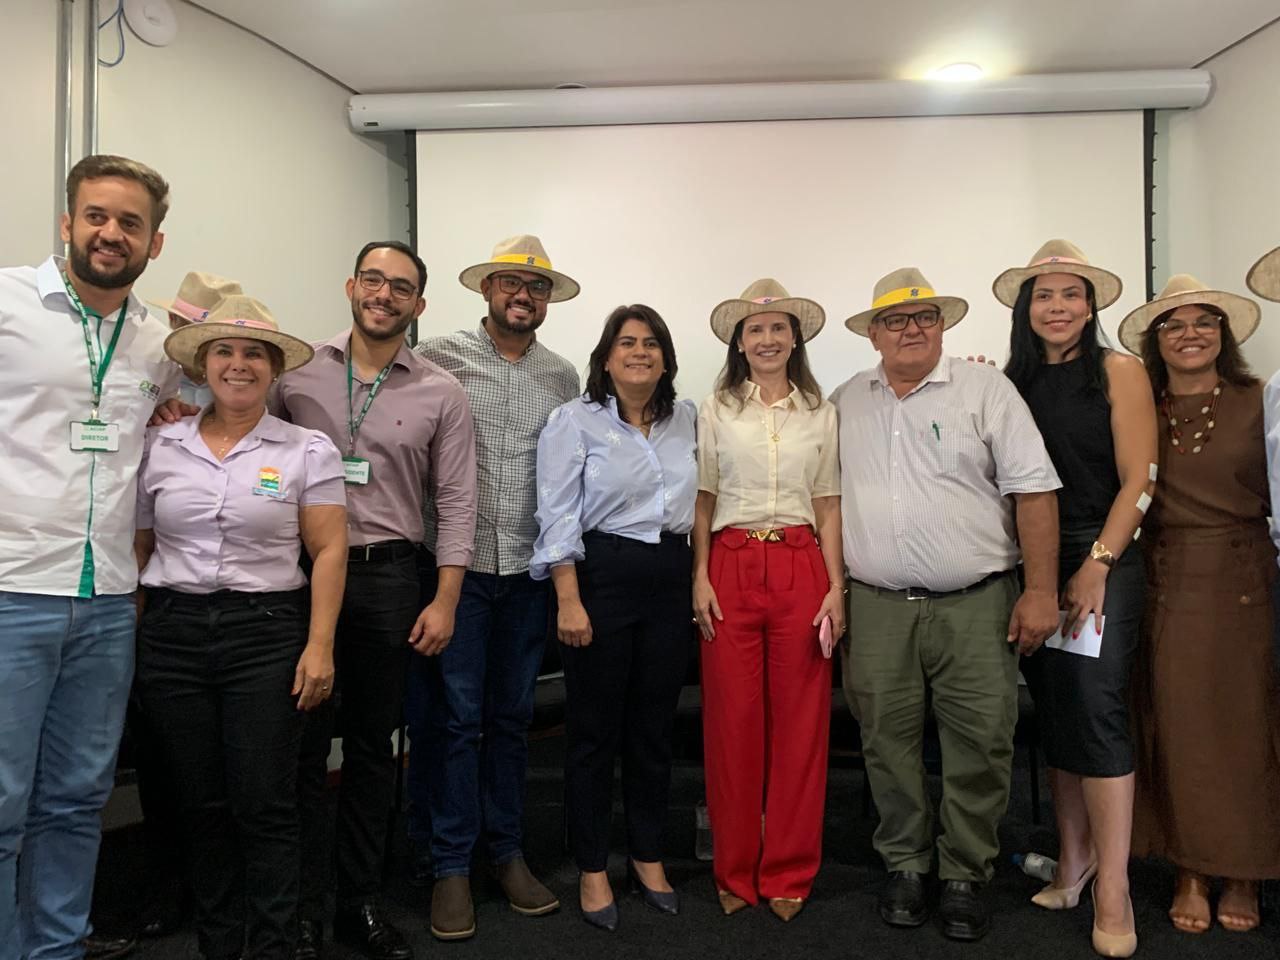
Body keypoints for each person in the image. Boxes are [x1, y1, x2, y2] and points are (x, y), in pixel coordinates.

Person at [831, 267, 1061, 942]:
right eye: (896, 320)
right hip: (877, 607)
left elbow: (1034, 491)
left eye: (925, 317)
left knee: (982, 742)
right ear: (873, 334)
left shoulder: (986, 390)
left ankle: (965, 870)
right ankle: (906, 862)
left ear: (942, 327)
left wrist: (1041, 591)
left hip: (976, 603)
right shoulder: (845, 402)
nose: (912, 330)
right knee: (886, 742)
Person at [0, 153, 178, 960]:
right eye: (97, 217)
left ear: (154, 242)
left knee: (76, 801)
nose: (112, 234)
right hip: (13, 590)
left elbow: (186, 410)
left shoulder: (160, 340)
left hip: (109, 599)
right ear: (67, 222)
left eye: (130, 223)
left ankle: (55, 949)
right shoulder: (9, 303)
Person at [134, 295, 348, 960]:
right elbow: (139, 546)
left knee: (264, 802)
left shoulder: (307, 449)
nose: (238, 364)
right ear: (202, 364)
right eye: (223, 351)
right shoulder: (160, 445)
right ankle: (220, 944)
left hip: (266, 634)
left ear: (274, 368)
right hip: (172, 633)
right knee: (199, 805)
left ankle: (275, 945)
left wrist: (319, 646)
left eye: (254, 353)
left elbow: (329, 550)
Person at [279, 241, 477, 960]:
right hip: (298, 579)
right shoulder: (295, 372)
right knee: (300, 750)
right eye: (373, 280)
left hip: (389, 579)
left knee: (371, 749)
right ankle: (301, 907)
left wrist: (446, 598)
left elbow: (457, 501)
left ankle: (358, 902)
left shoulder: (442, 392)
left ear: (419, 305)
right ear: (351, 286)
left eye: (400, 287)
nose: (383, 294)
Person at [409, 235, 580, 940]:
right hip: (458, 573)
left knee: (512, 720)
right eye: (511, 282)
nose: (523, 296)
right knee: (455, 721)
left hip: (528, 575)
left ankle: (507, 853)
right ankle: (450, 865)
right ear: (486, 290)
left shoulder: (562, 376)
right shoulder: (436, 358)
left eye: (536, 287)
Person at [996, 240, 1154, 958]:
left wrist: (1097, 564)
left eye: (1071, 295)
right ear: (1026, 309)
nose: (1057, 307)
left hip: (1101, 557)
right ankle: (1073, 863)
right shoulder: (1011, 383)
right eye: (1044, 296)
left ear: (1091, 307)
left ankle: (1114, 888)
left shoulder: (1119, 371)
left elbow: (1140, 479)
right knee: (1056, 711)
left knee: (1097, 710)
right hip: (1034, 564)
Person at [1118, 274, 1280, 935]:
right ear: (1156, 341)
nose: (1190, 334)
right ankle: (1189, 867)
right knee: (1173, 725)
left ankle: (1243, 869)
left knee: (1245, 725)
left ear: (1223, 334)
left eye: (1203, 322)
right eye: (1174, 325)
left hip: (1244, 579)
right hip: (1162, 577)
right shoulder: (1139, 405)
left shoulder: (1260, 398)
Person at [531, 304, 696, 931]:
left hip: (669, 579)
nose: (640, 352)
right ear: (606, 357)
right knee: (595, 733)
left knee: (653, 730)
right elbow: (557, 513)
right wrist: (568, 599)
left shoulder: (688, 420)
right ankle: (594, 865)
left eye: (651, 343)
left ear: (666, 359)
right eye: (626, 342)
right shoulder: (573, 421)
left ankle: (648, 856)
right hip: (601, 579)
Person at [692, 278, 844, 923]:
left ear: (794, 338)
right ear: (739, 341)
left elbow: (828, 503)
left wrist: (836, 587)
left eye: (779, 328)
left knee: (802, 728)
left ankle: (788, 870)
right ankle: (734, 869)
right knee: (732, 725)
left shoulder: (820, 411)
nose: (768, 338)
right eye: (756, 329)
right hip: (730, 565)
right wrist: (699, 576)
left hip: (800, 564)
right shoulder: (716, 409)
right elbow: (703, 499)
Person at [150, 270, 243, 406]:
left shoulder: (255, 388)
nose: (203, 342)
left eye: (215, 334)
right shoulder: (148, 371)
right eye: (193, 332)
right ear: (172, 318)